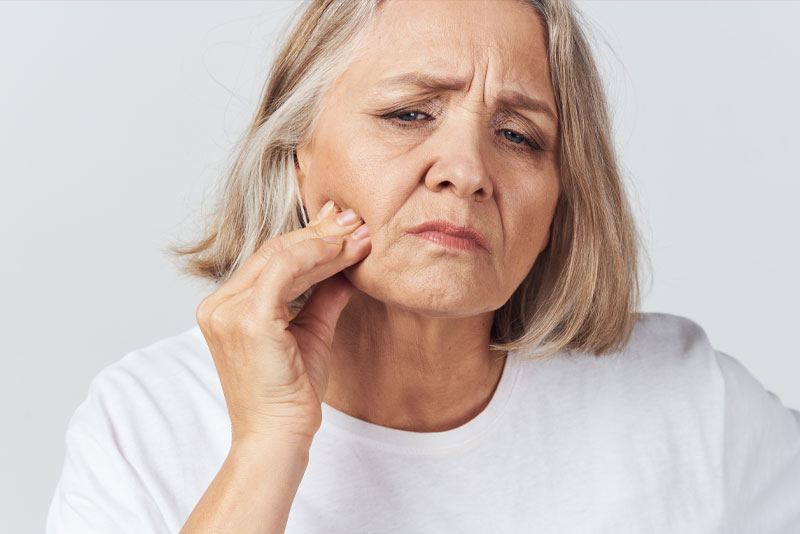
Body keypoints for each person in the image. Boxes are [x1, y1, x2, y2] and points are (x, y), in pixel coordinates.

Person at [46, 0, 800, 532]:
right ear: (298, 157)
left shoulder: (694, 403)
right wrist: (269, 441)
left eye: (519, 135)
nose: (467, 170)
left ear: (564, 198)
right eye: (410, 114)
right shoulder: (143, 423)